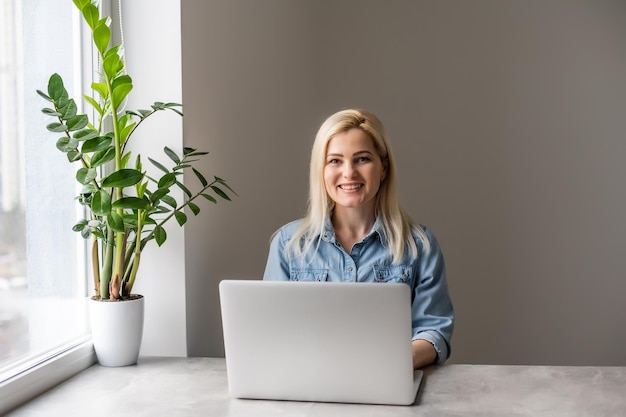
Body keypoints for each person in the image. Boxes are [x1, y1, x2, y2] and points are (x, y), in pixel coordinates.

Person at [263, 109, 454, 369]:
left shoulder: (419, 244)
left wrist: (397, 361)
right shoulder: (288, 244)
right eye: (335, 161)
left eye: (362, 159)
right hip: (310, 386)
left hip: (389, 385)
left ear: (383, 168)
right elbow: (271, 332)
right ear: (321, 170)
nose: (349, 173)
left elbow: (434, 331)